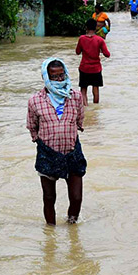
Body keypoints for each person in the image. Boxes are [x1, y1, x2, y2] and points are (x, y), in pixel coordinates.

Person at [26, 57, 86, 225]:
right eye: (54, 77)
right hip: (47, 153)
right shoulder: (35, 101)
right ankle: (50, 232)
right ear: (46, 77)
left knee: (76, 197)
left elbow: (79, 120)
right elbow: (32, 126)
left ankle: (72, 226)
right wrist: (43, 141)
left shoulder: (75, 97)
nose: (60, 80)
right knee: (49, 197)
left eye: (62, 75)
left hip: (72, 151)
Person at [75, 17, 111, 105]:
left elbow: (77, 52)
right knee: (96, 89)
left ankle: (85, 106)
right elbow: (107, 54)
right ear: (96, 28)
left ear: (86, 28)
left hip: (84, 68)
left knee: (83, 89)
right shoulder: (99, 40)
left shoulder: (81, 38)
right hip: (96, 68)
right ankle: (95, 109)